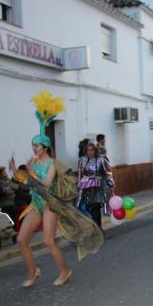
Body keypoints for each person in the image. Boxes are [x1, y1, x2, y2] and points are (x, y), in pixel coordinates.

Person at [11, 91, 104, 287]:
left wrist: (30, 173)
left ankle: (64, 271)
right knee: (21, 239)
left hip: (50, 205)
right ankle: (32, 271)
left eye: (36, 146)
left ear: (44, 147)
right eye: (32, 145)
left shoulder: (52, 164)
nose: (34, 148)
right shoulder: (33, 163)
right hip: (35, 204)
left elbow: (44, 184)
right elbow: (26, 182)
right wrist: (16, 172)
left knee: (48, 241)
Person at [76, 142, 115, 228]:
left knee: (95, 207)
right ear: (85, 151)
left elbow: (108, 173)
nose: (90, 152)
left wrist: (111, 185)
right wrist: (79, 186)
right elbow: (79, 175)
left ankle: (98, 228)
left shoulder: (101, 159)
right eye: (88, 150)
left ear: (95, 150)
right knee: (88, 208)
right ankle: (94, 229)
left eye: (92, 150)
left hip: (99, 188)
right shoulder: (82, 160)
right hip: (87, 188)